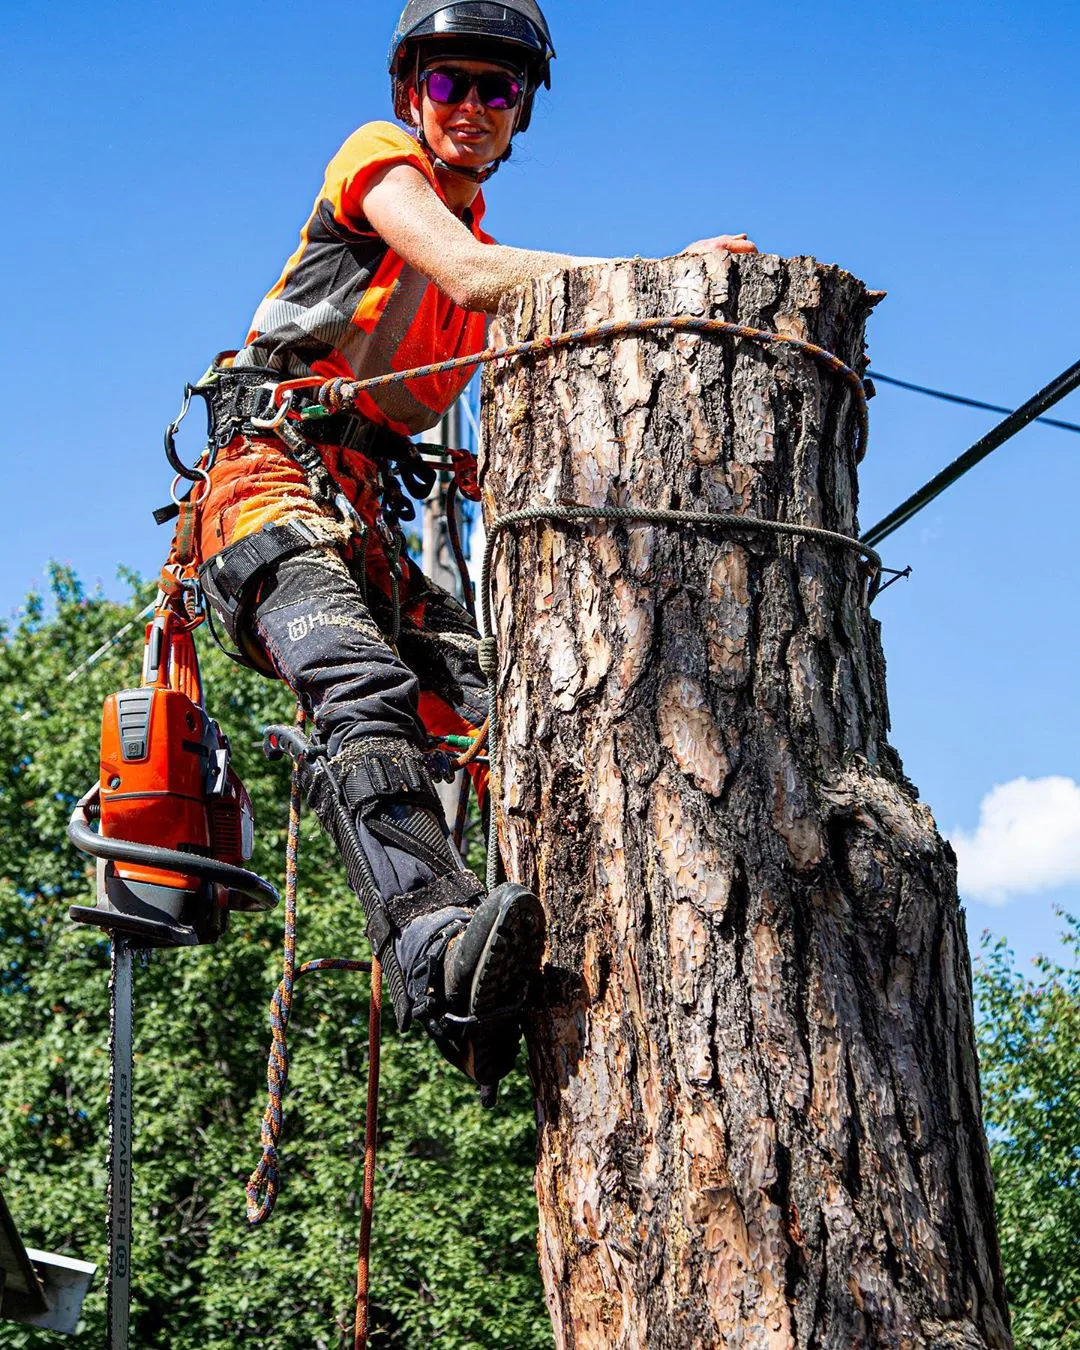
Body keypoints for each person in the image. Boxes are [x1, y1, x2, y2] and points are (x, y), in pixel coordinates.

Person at [190, 0, 757, 1103]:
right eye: (452, 83)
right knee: (363, 688)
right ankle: (431, 949)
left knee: (519, 698)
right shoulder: (381, 165)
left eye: (498, 91)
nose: (472, 107)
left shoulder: (502, 268)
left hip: (361, 524)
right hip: (263, 491)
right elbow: (457, 270)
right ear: (414, 93)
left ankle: (531, 946)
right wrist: (666, 277)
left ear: (522, 114)